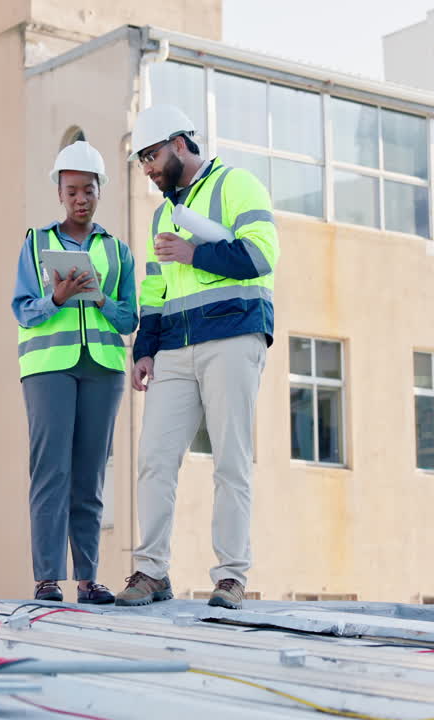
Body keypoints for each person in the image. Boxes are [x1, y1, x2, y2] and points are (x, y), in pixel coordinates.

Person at [115, 105, 278, 610]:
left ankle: (231, 577)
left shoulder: (237, 185)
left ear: (179, 145)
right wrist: (145, 350)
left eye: (150, 156)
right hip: (175, 350)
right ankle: (151, 572)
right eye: (141, 159)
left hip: (233, 335)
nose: (146, 168)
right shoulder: (163, 214)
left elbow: (261, 255)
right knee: (154, 460)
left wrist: (193, 253)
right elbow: (154, 290)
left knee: (231, 461)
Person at [12, 140, 137, 604]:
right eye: (72, 191)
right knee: (51, 473)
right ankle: (47, 578)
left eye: (88, 189)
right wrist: (58, 298)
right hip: (48, 369)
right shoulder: (36, 242)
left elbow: (129, 320)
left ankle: (88, 578)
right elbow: (23, 311)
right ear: (59, 194)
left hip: (104, 369)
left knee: (90, 476)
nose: (80, 198)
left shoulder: (118, 252)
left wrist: (100, 298)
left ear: (99, 190)